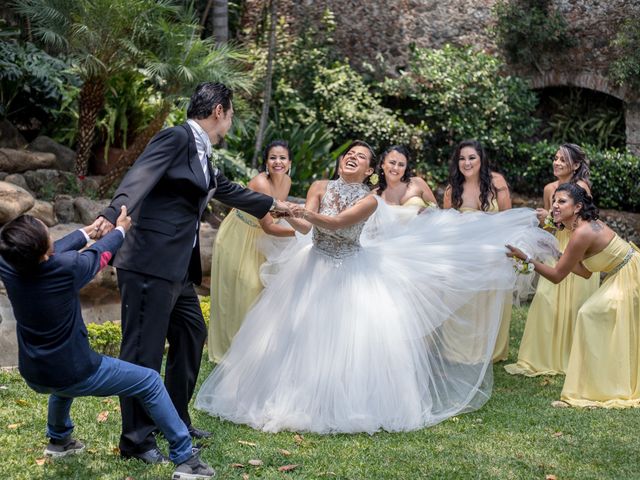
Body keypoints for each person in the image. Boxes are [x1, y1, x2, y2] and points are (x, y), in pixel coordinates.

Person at [195, 140, 557, 434]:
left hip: (351, 268)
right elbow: (307, 231)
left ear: (370, 171)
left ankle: (347, 401)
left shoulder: (369, 200)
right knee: (299, 334)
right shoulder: (320, 187)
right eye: (349, 155)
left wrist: (300, 213)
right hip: (313, 264)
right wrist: (294, 214)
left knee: (351, 340)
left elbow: (336, 224)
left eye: (362, 158)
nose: (353, 159)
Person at [93, 82, 291, 463]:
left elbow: (224, 189)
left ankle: (176, 419)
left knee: (190, 333)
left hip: (178, 269)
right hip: (149, 262)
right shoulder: (177, 138)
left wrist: (273, 204)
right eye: (231, 115)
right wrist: (111, 212)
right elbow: (139, 176)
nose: (230, 122)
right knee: (142, 352)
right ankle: (136, 441)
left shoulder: (202, 153)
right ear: (219, 111)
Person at [0, 209, 215, 479]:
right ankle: (186, 459)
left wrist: (86, 231)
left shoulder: (9, 265)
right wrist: (121, 230)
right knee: (148, 380)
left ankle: (59, 439)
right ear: (45, 252)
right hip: (77, 371)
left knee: (61, 386)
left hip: (34, 372)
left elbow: (53, 247)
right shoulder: (67, 269)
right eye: (46, 233)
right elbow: (100, 253)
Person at [507, 183, 639, 408]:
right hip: (620, 274)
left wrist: (528, 259)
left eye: (562, 202)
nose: (554, 206)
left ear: (577, 207)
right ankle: (600, 379)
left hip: (630, 276)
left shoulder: (582, 232)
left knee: (589, 314)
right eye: (554, 201)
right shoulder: (578, 230)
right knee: (591, 315)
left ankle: (600, 385)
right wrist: (556, 253)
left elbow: (558, 276)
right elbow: (586, 272)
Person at [505, 144, 599, 377]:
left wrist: (549, 218)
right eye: (555, 158)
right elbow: (553, 222)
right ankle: (544, 356)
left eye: (563, 160)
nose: (556, 163)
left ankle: (571, 358)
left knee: (573, 303)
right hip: (556, 247)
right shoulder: (550, 188)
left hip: (577, 247)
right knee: (547, 300)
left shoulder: (581, 188)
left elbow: (585, 220)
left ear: (575, 165)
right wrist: (544, 220)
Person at [208, 140, 296, 362]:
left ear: (289, 163)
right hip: (239, 235)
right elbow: (269, 225)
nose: (278, 162)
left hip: (259, 237)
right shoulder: (261, 183)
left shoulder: (287, 181)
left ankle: (251, 350)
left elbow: (277, 215)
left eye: (282, 158)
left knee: (258, 291)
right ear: (266, 162)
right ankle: (231, 350)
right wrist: (301, 234)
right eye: (273, 158)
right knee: (245, 289)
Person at [443, 140, 512, 362]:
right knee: (464, 301)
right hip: (463, 253)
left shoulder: (496, 182)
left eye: (472, 157)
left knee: (488, 299)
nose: (467, 162)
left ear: (481, 159)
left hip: (491, 251)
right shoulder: (452, 189)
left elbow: (507, 217)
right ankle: (459, 349)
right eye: (462, 158)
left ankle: (489, 350)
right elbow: (446, 224)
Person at [374, 145, 438, 216]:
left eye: (401, 165)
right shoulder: (375, 195)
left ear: (405, 168)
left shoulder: (417, 183)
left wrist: (428, 211)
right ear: (383, 164)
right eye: (392, 163)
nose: (396, 168)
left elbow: (437, 211)